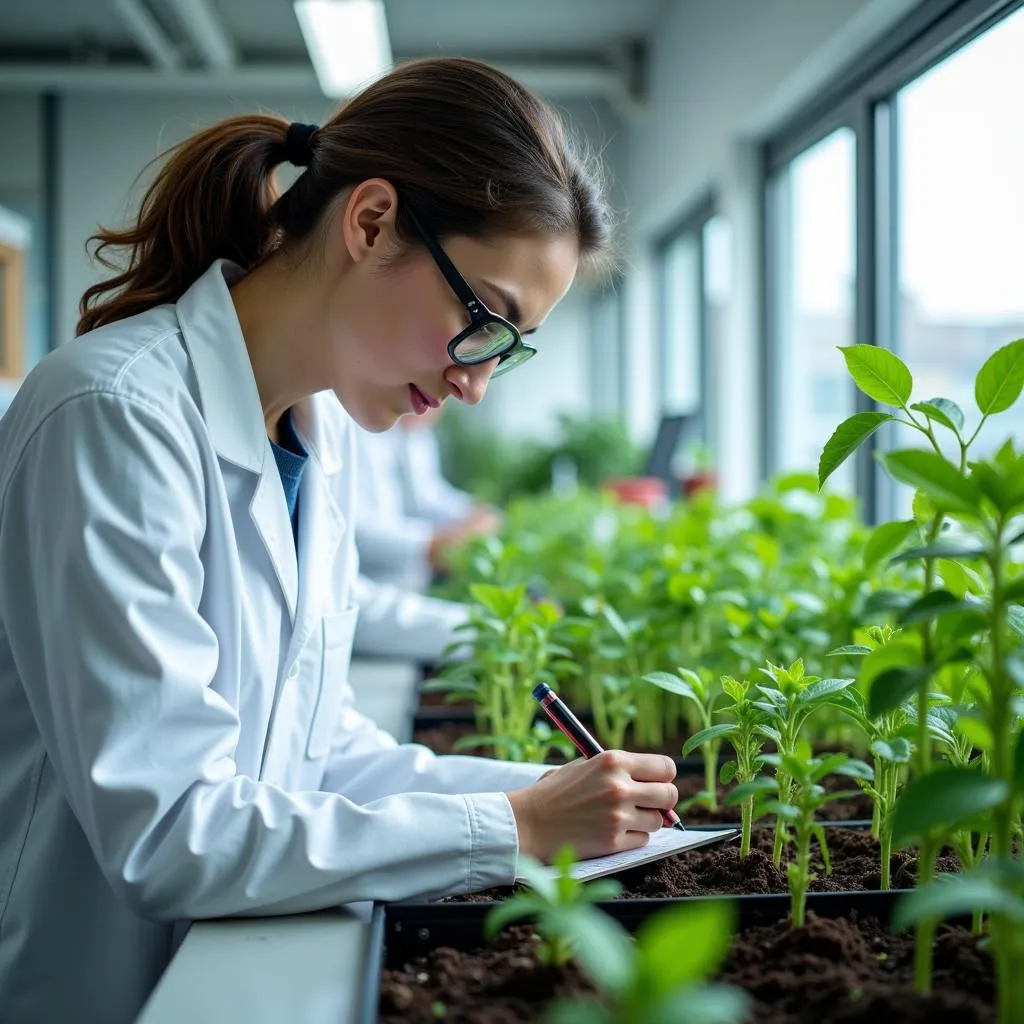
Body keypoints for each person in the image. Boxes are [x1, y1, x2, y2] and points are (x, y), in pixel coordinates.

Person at [0, 58, 678, 1024]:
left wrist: (552, 791)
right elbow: (173, 829)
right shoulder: (114, 414)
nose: (476, 383)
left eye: (507, 350)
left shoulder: (322, 435)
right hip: (83, 986)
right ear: (369, 223)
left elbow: (310, 753)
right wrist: (515, 825)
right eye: (485, 320)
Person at [352, 405, 501, 591]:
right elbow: (355, 529)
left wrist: (472, 512)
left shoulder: (417, 435)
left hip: (405, 583)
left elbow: (428, 496)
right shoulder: (356, 429)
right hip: (367, 583)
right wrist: (428, 545)